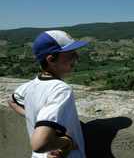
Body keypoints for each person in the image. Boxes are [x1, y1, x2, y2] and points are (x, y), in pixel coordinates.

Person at [8, 30, 88, 158]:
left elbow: (12, 101)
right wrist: (67, 142)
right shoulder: (61, 89)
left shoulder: (30, 86)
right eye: (71, 54)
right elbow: (39, 144)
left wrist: (33, 116)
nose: (77, 57)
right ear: (51, 59)